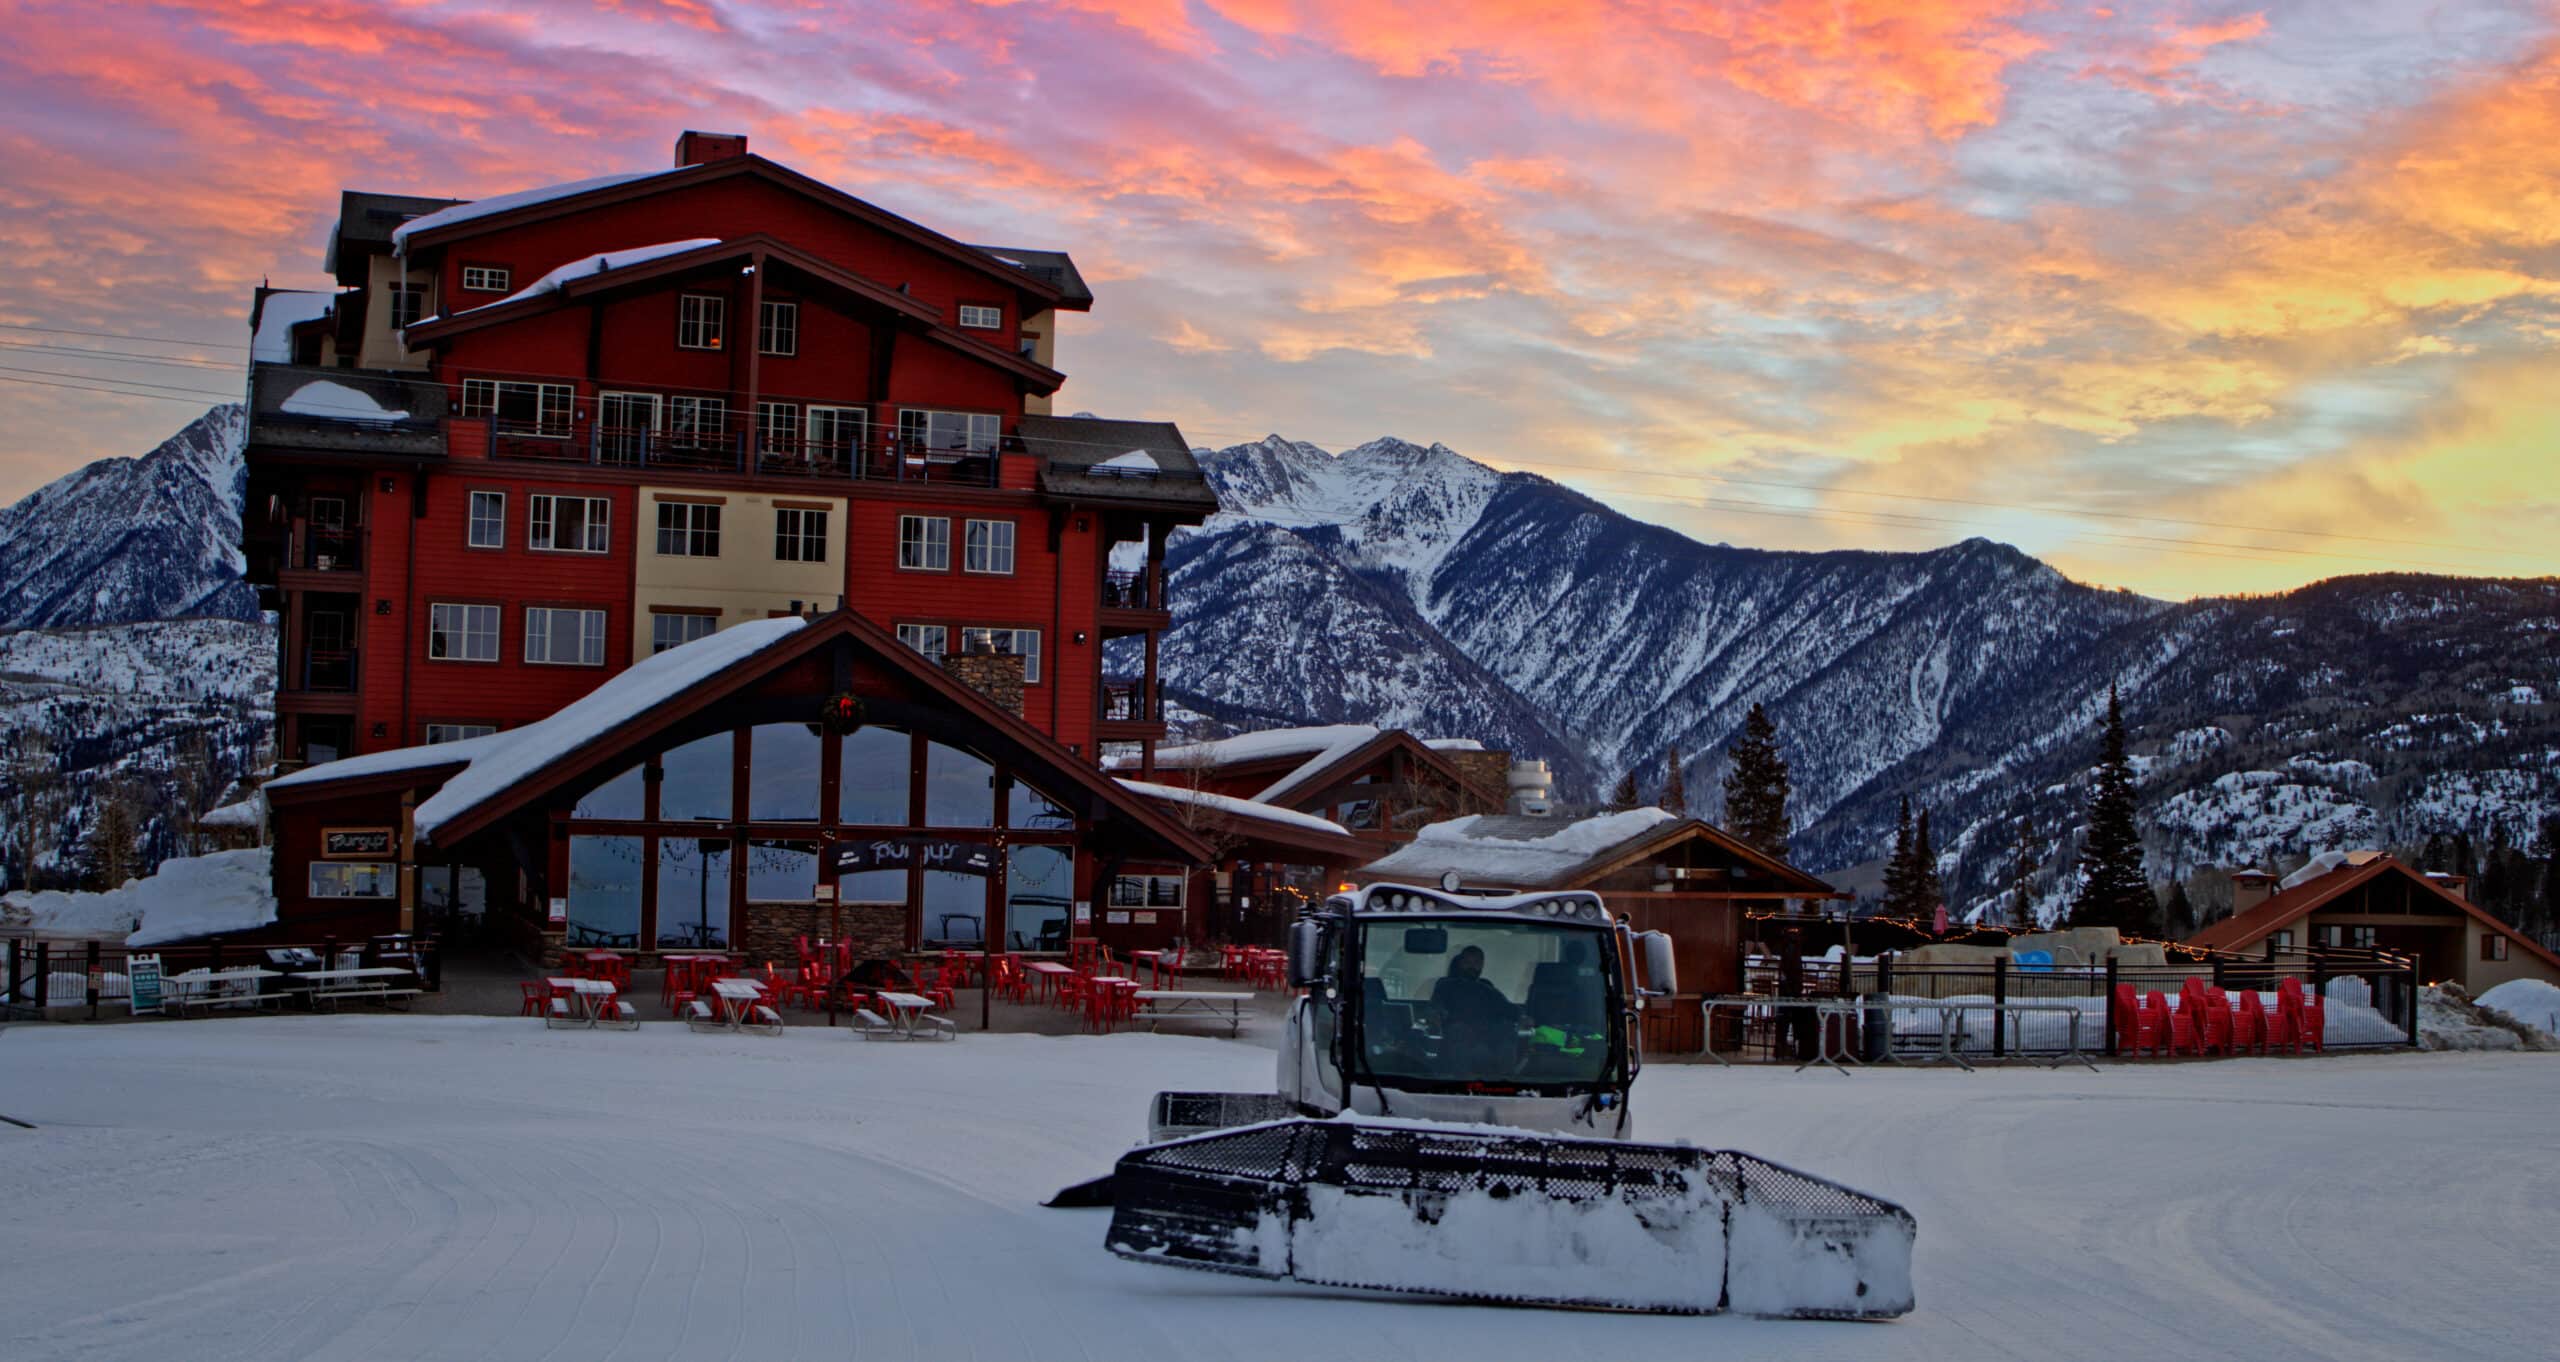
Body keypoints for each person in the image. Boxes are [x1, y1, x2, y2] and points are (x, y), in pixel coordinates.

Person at [1430, 945, 1518, 1074]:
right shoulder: (1446, 986)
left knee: (1507, 1031)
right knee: (1458, 1032)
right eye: (1467, 962)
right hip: (1458, 1038)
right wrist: (1436, 1015)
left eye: (1476, 963)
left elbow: (1507, 1008)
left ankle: (1505, 1086)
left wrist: (1522, 1017)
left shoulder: (1487, 987)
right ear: (1460, 963)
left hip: (1489, 1039)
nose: (1472, 966)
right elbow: (1436, 1006)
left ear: (1482, 965)